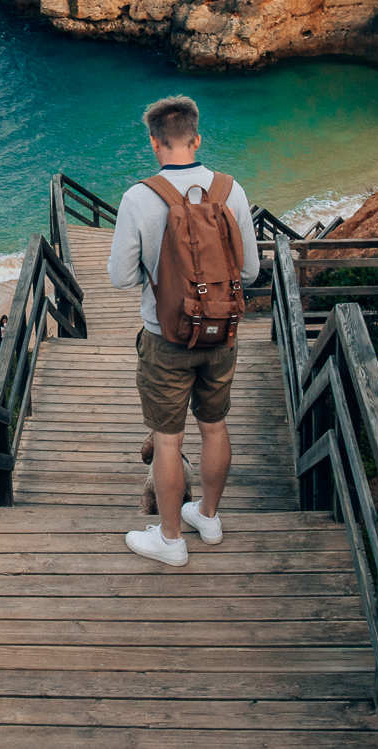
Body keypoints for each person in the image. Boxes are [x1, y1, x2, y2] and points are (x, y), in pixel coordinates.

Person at [107, 95, 259, 566]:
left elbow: (119, 276)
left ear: (154, 144)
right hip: (222, 335)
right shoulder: (231, 191)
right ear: (197, 139)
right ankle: (208, 518)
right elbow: (250, 271)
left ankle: (170, 540)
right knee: (214, 426)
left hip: (166, 338)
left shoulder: (138, 197)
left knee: (168, 439)